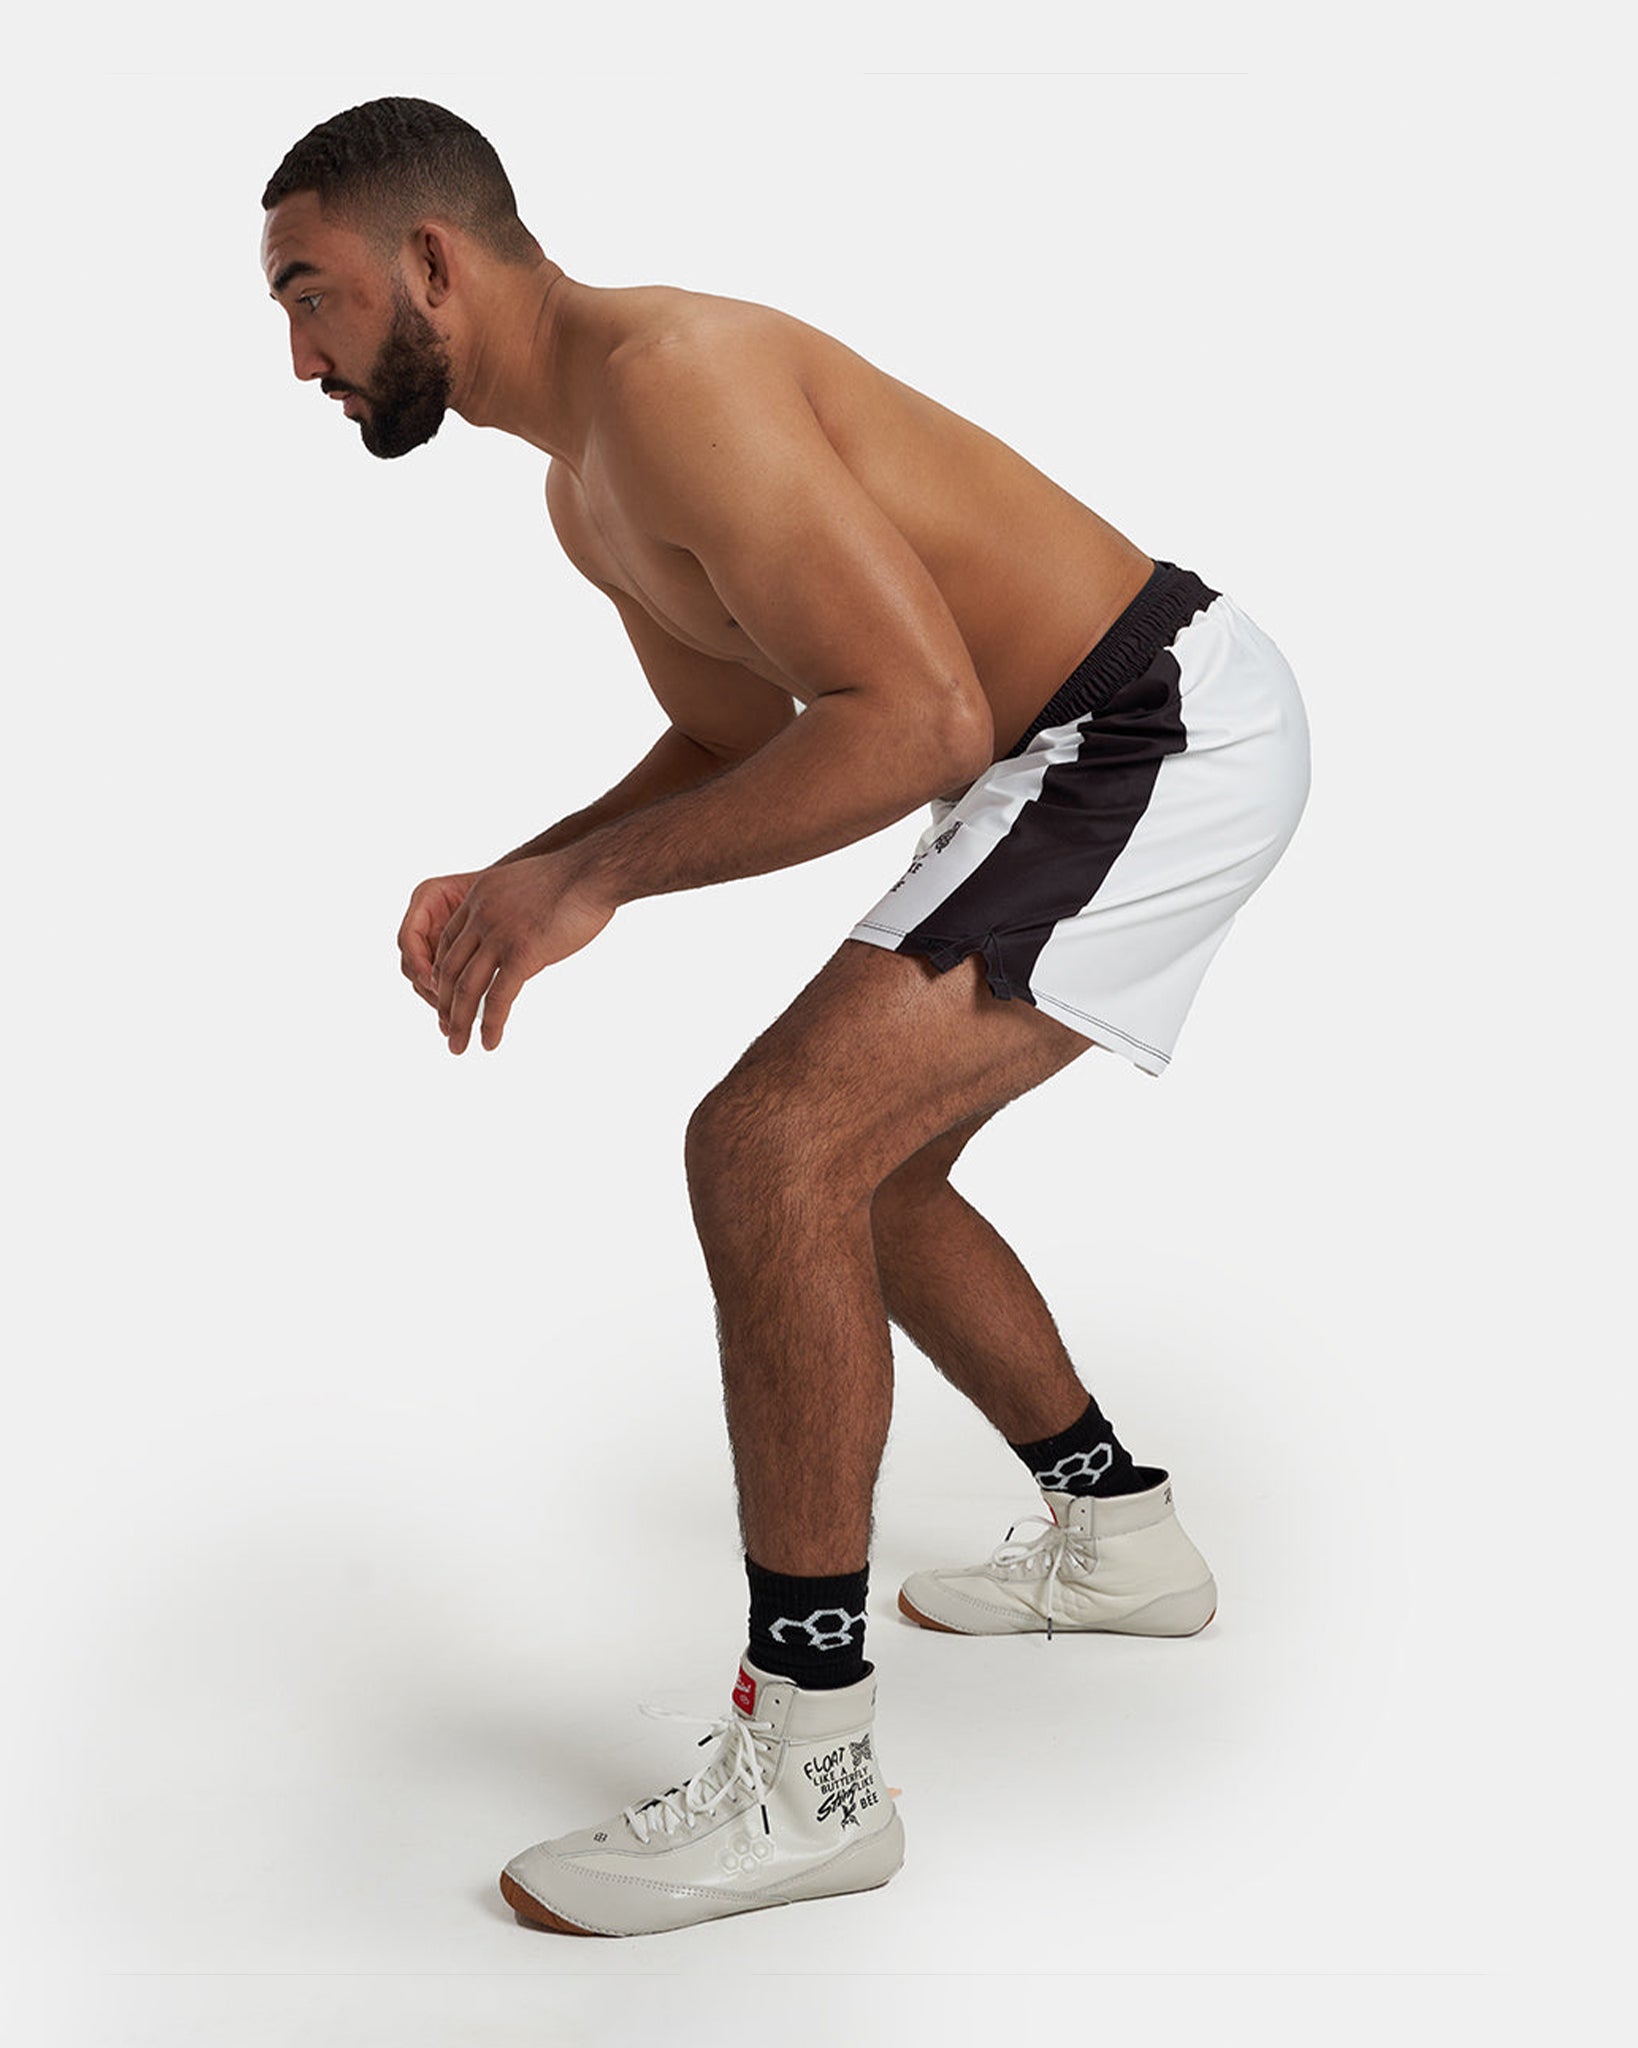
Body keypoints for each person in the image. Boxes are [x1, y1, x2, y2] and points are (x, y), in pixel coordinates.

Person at [261, 96, 1311, 1939]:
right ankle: (1117, 1529)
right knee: (862, 1177)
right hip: (1064, 751)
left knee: (768, 1145)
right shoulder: (584, 475)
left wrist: (583, 890)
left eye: (312, 294)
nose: (301, 358)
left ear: (431, 261)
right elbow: (757, 731)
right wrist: (531, 864)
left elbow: (909, 724)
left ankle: (810, 1772)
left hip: (1145, 736)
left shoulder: (673, 380)